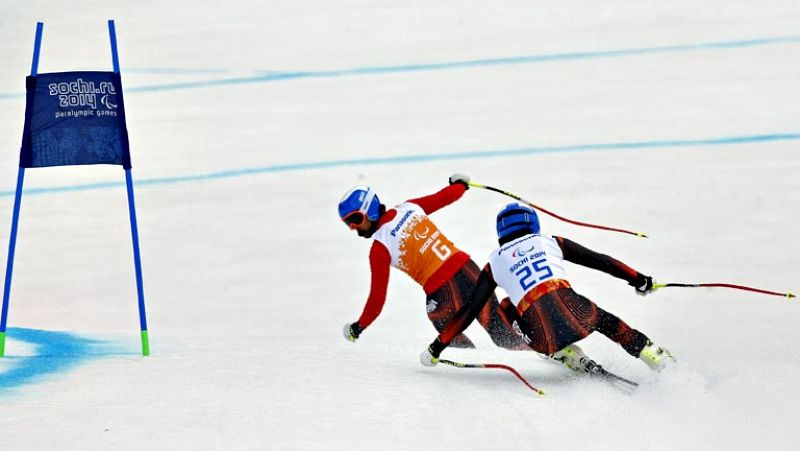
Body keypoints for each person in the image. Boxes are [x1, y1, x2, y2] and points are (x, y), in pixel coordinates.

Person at [420, 202, 675, 373]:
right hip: (580, 315)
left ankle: (563, 354)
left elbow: (469, 311)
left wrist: (436, 347)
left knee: (507, 305)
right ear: (532, 224)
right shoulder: (549, 241)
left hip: (542, 338)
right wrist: (639, 279)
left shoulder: (494, 262)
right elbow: (602, 261)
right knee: (609, 324)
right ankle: (651, 353)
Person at [339, 174, 526, 350]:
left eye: (355, 219)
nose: (353, 227)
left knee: (447, 333)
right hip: (469, 271)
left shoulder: (379, 248)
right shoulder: (408, 208)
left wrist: (359, 326)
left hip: (443, 292)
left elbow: (377, 298)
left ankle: (469, 363)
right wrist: (460, 185)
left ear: (370, 210)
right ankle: (535, 354)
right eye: (348, 223)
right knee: (497, 327)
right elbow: (445, 196)